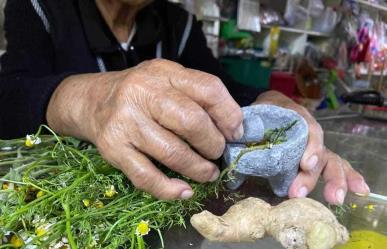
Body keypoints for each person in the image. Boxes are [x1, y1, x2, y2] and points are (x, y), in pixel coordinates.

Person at [0, 0, 369, 203]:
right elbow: (9, 96)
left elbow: (221, 87)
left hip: (165, 206)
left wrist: (269, 104)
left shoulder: (177, 23)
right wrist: (90, 99)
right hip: (63, 198)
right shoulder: (38, 7)